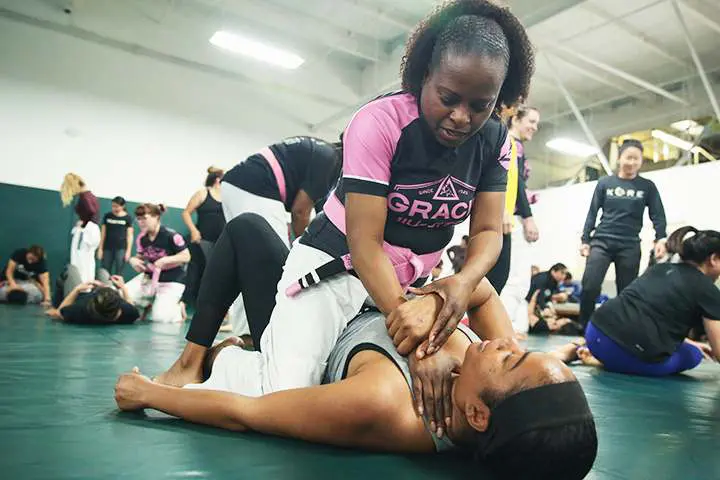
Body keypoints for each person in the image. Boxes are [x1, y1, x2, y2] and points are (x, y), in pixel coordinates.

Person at [154, 0, 534, 398]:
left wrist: (462, 281)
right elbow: (364, 243)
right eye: (448, 97)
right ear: (424, 76)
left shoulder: (495, 141)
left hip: (413, 283)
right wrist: (412, 338)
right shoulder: (379, 122)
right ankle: (220, 360)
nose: (461, 116)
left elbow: (489, 230)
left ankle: (264, 347)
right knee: (286, 394)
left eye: (480, 105)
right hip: (337, 267)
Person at [117, 314, 597, 480]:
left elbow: (247, 414)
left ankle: (198, 360)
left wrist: (151, 393)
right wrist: (435, 297)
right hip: (361, 290)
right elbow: (482, 291)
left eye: (512, 359)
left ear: (475, 414)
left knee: (247, 231)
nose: (508, 342)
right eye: (522, 347)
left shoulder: (384, 405)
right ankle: (232, 347)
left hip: (311, 320)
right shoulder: (483, 381)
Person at [554, 226, 720, 376]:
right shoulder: (708, 290)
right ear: (713, 259)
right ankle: (609, 361)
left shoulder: (659, 269)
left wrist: (688, 342)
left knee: (688, 347)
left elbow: (645, 316)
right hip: (629, 352)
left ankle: (582, 349)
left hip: (595, 332)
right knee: (693, 355)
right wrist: (691, 347)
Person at [578, 139, 667, 327]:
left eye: (637, 159)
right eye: (628, 158)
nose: (632, 162)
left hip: (629, 245)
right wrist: (586, 239)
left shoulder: (647, 186)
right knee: (590, 286)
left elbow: (657, 214)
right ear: (619, 158)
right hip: (601, 242)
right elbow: (592, 212)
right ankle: (585, 328)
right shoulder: (605, 183)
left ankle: (622, 331)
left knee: (627, 291)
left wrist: (661, 238)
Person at [221, 136, 341, 245]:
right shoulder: (331, 160)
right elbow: (300, 212)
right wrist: (305, 249)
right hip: (256, 186)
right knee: (276, 258)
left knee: (246, 254)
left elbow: (320, 209)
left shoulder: (325, 151)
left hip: (234, 183)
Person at [486, 105, 540, 294]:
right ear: (516, 119)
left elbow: (515, 183)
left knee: (500, 277)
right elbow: (509, 181)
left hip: (505, 214)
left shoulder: (516, 146)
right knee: (501, 278)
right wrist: (527, 217)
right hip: (503, 216)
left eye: (537, 123)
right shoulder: (510, 143)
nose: (534, 127)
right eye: (531, 121)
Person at [125, 203, 190, 323]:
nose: (141, 222)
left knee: (160, 318)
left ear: (156, 217)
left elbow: (186, 256)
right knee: (124, 296)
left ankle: (178, 308)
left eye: (144, 218)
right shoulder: (141, 238)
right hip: (150, 278)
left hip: (172, 279)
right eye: (138, 219)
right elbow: (139, 256)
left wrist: (166, 260)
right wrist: (133, 260)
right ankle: (147, 304)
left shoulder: (172, 236)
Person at [181, 167, 225, 308]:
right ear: (218, 180)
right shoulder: (203, 193)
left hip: (219, 241)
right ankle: (188, 303)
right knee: (196, 273)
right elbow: (186, 213)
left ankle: (207, 304)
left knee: (214, 274)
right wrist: (194, 231)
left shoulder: (227, 197)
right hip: (201, 240)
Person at [45, 265, 139, 325]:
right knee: (102, 272)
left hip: (80, 296)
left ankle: (54, 303)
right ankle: (105, 284)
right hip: (105, 299)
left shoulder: (80, 310)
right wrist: (123, 287)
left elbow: (58, 313)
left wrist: (77, 290)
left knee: (71, 269)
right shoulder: (127, 312)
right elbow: (131, 305)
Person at [98, 196, 133, 276]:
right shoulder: (108, 216)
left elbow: (130, 235)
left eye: (116, 206)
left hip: (121, 248)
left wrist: (128, 251)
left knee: (119, 272)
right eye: (113, 206)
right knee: (105, 271)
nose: (114, 208)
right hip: (107, 248)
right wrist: (100, 248)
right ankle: (105, 287)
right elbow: (103, 233)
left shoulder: (127, 218)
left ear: (123, 206)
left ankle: (117, 288)